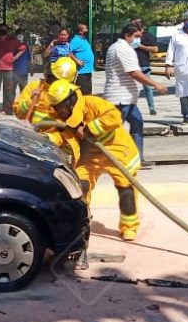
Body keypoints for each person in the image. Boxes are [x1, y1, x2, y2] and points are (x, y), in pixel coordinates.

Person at [41, 80, 142, 241]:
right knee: (80, 185)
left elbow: (114, 116)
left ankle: (129, 227)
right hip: (92, 156)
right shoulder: (62, 117)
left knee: (126, 189)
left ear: (72, 100)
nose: (61, 111)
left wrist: (89, 128)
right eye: (58, 108)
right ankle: (80, 223)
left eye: (63, 106)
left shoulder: (92, 103)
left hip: (118, 151)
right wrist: (50, 137)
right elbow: (62, 135)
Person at [105, 24, 169, 166]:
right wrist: (155, 85)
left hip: (127, 98)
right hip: (120, 98)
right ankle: (108, 158)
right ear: (127, 36)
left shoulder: (120, 47)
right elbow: (133, 72)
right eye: (137, 37)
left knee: (137, 124)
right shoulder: (122, 49)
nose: (139, 40)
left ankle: (137, 158)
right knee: (113, 131)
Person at [14, 58, 78, 125]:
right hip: (32, 132)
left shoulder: (72, 93)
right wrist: (30, 102)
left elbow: (75, 121)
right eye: (57, 80)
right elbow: (18, 114)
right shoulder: (34, 87)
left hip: (56, 133)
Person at [0, 23, 22, 115]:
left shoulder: (12, 40)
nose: (2, 31)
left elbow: (23, 48)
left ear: (7, 30)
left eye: (4, 29)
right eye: (1, 29)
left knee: (9, 91)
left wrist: (16, 57)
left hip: (8, 69)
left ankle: (8, 109)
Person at [130, 17, 159, 115]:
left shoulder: (148, 36)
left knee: (147, 88)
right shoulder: (131, 36)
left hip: (144, 65)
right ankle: (132, 108)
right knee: (132, 88)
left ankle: (152, 108)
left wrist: (141, 46)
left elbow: (155, 49)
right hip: (132, 66)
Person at [70, 23, 96, 95]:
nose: (87, 30)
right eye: (86, 29)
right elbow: (68, 52)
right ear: (80, 31)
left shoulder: (84, 40)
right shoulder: (75, 40)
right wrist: (77, 60)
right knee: (84, 94)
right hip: (81, 72)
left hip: (87, 71)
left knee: (88, 92)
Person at [12, 30, 32, 94]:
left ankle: (22, 104)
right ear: (15, 35)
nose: (20, 36)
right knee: (11, 92)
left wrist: (31, 69)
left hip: (24, 73)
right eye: (19, 34)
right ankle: (11, 103)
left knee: (24, 92)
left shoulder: (26, 46)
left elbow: (28, 59)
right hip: (13, 73)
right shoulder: (12, 46)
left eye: (22, 34)